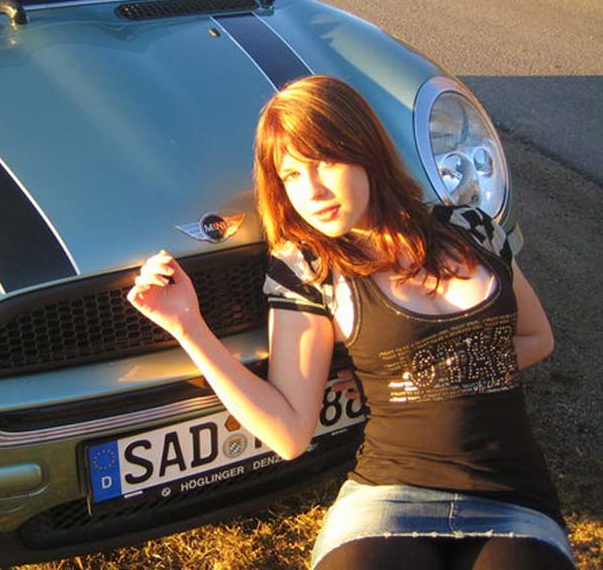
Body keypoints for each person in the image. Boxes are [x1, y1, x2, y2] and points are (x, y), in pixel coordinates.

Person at [126, 75, 574, 570]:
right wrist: (188, 326)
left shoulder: (473, 230)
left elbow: (537, 337)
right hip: (389, 498)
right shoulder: (308, 268)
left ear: (366, 149)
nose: (312, 191)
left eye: (324, 162)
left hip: (512, 497)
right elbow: (289, 433)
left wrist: (435, 373)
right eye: (291, 175)